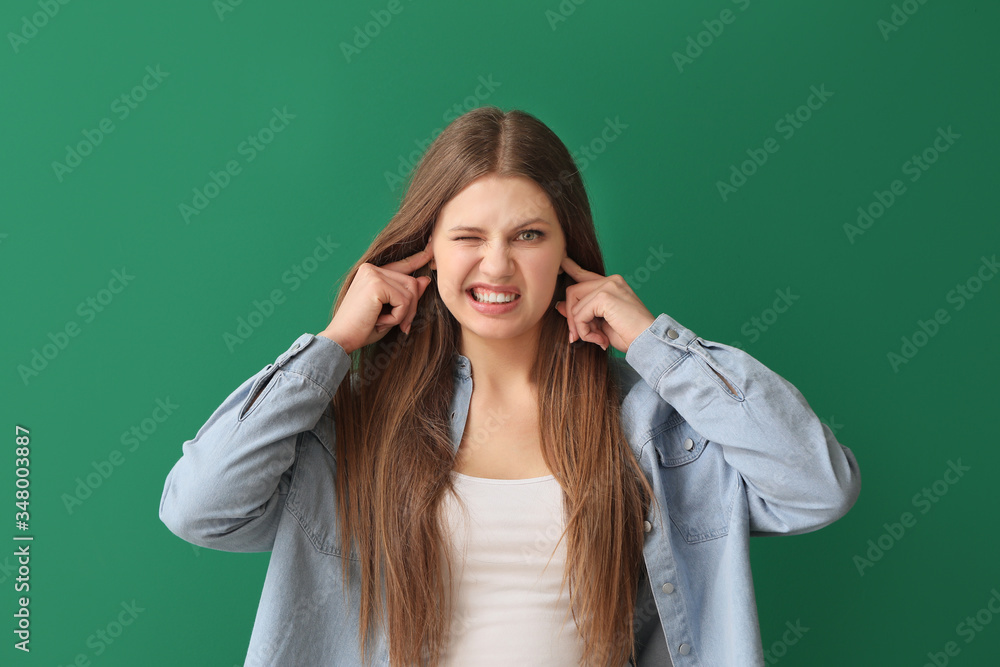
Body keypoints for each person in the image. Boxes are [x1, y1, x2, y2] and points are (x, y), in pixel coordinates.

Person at [158, 106, 861, 667]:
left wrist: (655, 343)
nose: (497, 265)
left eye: (528, 235)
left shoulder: (651, 426)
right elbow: (200, 507)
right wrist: (334, 344)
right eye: (468, 235)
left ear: (567, 251)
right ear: (426, 250)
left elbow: (818, 488)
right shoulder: (352, 430)